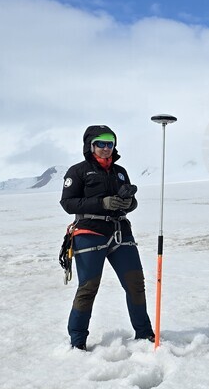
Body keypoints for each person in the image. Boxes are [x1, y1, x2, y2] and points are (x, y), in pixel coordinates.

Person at [60, 125, 154, 350]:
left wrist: (128, 203)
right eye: (100, 143)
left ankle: (144, 334)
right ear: (90, 145)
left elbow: (132, 203)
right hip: (89, 233)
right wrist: (101, 203)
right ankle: (77, 342)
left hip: (120, 233)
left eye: (109, 143)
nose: (105, 148)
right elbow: (68, 203)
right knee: (88, 287)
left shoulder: (120, 172)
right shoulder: (78, 171)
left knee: (135, 285)